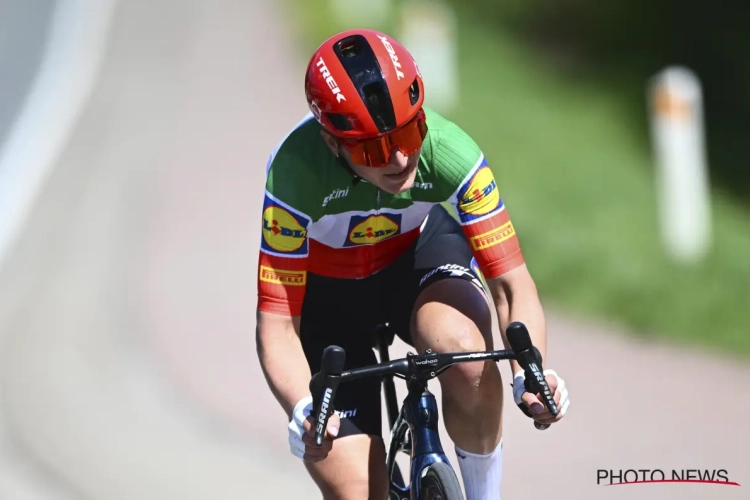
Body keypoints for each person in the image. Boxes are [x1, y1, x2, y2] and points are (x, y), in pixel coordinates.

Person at [255, 28, 570, 499]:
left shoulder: (450, 151)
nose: (401, 157)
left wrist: (532, 372)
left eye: (409, 131)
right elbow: (277, 327)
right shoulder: (294, 173)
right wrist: (303, 408)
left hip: (414, 260)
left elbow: (510, 284)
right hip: (327, 293)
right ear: (331, 141)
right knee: (359, 490)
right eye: (376, 148)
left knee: (467, 356)